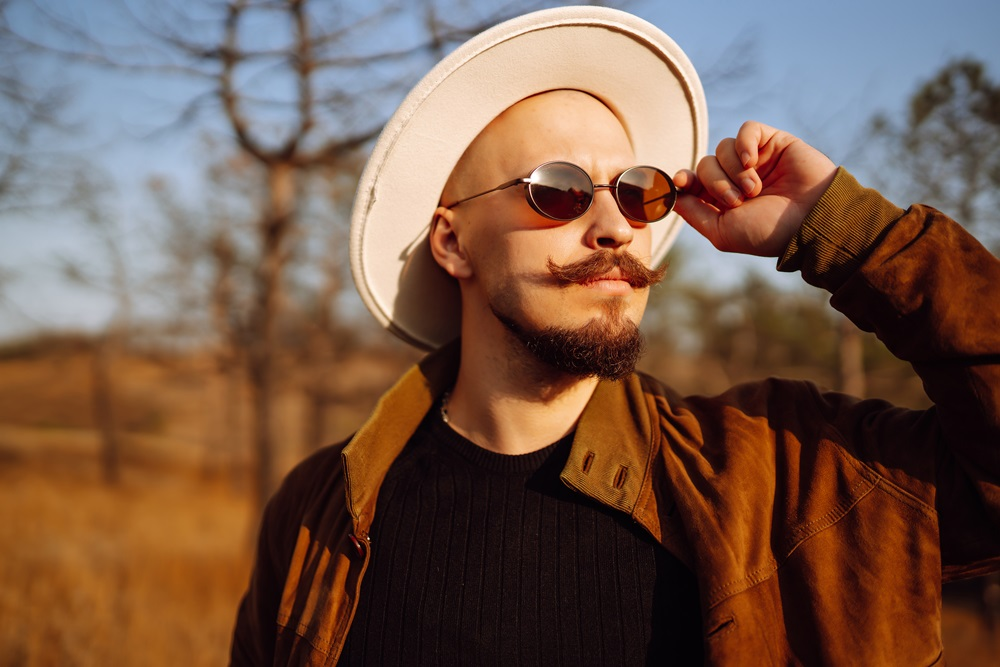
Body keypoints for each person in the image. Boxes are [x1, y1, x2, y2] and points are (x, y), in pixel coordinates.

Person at [230, 7, 1000, 666]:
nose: (615, 227)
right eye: (557, 190)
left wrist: (842, 227)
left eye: (639, 191)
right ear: (453, 242)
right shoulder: (321, 511)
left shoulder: (774, 473)